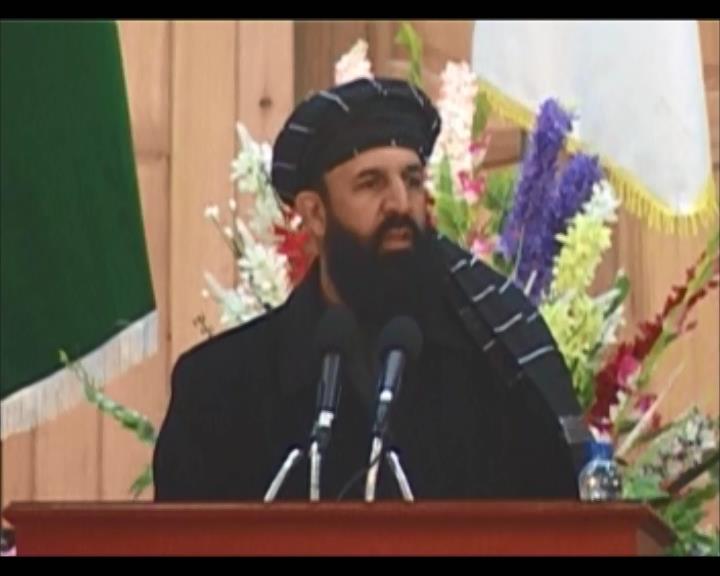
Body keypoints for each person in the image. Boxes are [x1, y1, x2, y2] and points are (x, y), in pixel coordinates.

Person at [153, 77, 590, 502]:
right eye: (371, 183)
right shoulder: (220, 390)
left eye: (412, 180)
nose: (400, 203)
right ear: (315, 213)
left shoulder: (491, 379)